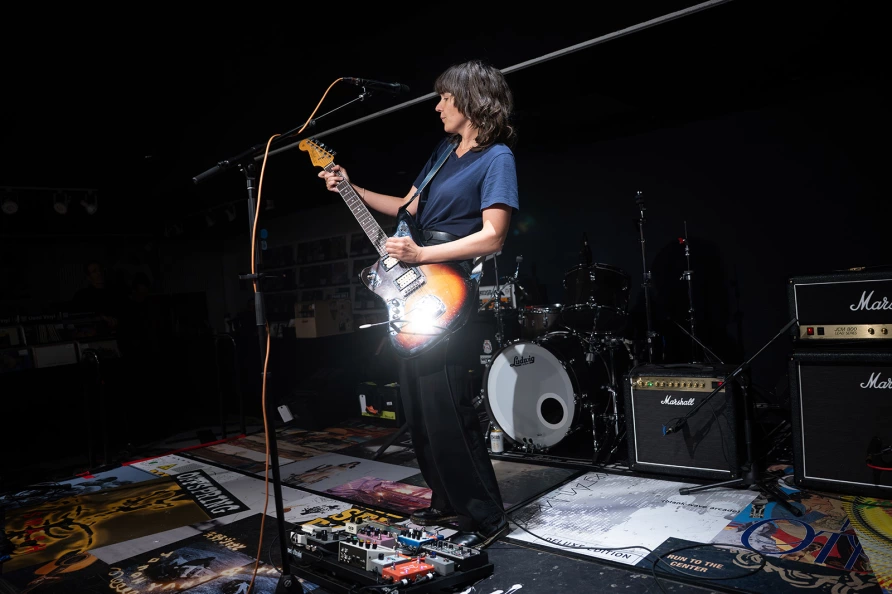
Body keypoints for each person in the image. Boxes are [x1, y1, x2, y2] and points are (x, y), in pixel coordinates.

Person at [318, 59, 518, 548]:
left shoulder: (497, 158)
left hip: (448, 289)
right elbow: (406, 208)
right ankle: (446, 501)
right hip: (415, 291)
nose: (437, 106)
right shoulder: (442, 153)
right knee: (419, 409)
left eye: (444, 97)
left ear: (470, 98)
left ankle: (485, 514)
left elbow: (493, 236)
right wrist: (350, 187)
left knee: (447, 406)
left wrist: (422, 254)